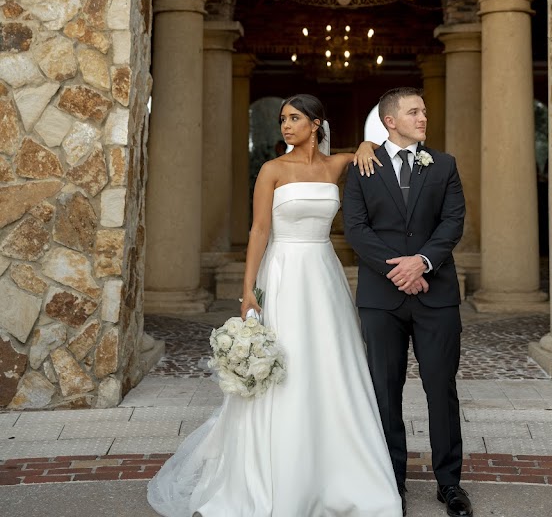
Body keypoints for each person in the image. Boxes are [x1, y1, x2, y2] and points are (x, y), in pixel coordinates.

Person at [147, 93, 402, 517]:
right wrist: (248, 290)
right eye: (283, 118)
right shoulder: (272, 170)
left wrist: (363, 144)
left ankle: (338, 470)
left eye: (295, 118)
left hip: (323, 274)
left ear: (316, 124)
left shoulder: (336, 165)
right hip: (283, 272)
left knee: (330, 361)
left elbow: (375, 148)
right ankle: (275, 472)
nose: (285, 125)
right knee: (288, 363)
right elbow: (259, 231)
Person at [343, 87, 472, 517]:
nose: (423, 118)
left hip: (437, 295)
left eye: (424, 111)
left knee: (441, 388)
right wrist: (398, 271)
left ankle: (449, 484)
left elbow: (452, 222)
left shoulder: (444, 165)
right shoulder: (363, 166)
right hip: (381, 299)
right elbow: (356, 229)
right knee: (385, 390)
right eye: (414, 112)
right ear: (390, 121)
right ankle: (390, 482)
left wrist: (422, 263)